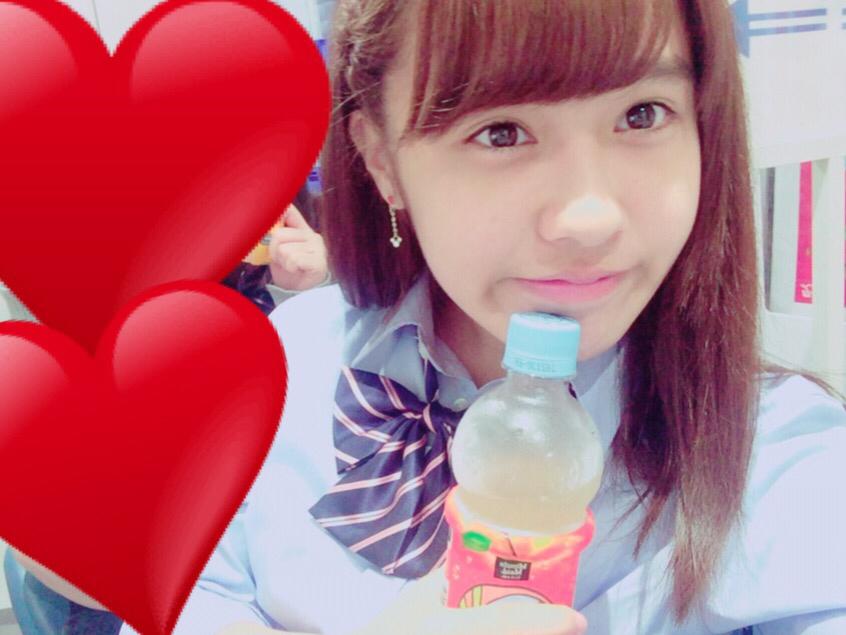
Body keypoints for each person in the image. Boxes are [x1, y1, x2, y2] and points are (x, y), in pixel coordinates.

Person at [136, 0, 842, 632]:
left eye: (642, 114)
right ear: (382, 160)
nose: (589, 218)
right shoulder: (282, 361)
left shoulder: (776, 450)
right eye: (501, 132)